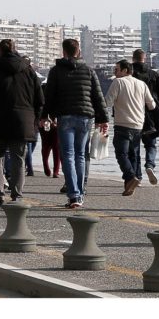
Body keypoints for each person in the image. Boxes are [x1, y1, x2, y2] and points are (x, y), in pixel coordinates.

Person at [0, 39, 43, 207]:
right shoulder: (28, 71)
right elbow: (40, 99)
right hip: (22, 121)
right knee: (18, 159)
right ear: (16, 50)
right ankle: (17, 196)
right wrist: (36, 119)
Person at [44, 38, 107, 209]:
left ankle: (73, 196)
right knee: (81, 155)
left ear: (63, 52)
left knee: (69, 156)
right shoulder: (88, 71)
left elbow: (49, 96)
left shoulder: (56, 71)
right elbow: (98, 96)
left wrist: (44, 116)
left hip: (65, 117)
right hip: (85, 117)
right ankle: (80, 193)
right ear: (78, 51)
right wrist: (104, 119)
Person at [105, 59, 155, 197]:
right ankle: (129, 186)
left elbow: (107, 102)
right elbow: (152, 105)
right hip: (138, 125)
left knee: (121, 154)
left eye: (116, 70)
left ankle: (131, 176)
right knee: (133, 155)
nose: (114, 73)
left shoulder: (118, 82)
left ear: (125, 70)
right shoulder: (142, 84)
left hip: (122, 124)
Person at [131, 49, 159, 185]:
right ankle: (150, 166)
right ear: (144, 59)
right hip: (151, 114)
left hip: (133, 113)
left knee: (134, 147)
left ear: (133, 59)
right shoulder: (154, 74)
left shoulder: (129, 75)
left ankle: (137, 177)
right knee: (151, 145)